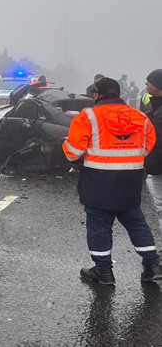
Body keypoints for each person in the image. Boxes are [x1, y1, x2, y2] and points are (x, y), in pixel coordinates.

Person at [63, 77, 160, 284]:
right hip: (130, 180)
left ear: (97, 94)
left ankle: (104, 271)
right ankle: (152, 265)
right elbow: (148, 144)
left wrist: (83, 156)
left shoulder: (88, 116)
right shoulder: (140, 117)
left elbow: (72, 152)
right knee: (136, 222)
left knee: (99, 226)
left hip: (99, 181)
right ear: (118, 93)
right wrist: (129, 158)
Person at [144, 69, 162, 239]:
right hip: (156, 166)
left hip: (157, 163)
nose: (146, 84)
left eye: (149, 81)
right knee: (159, 206)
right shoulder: (154, 104)